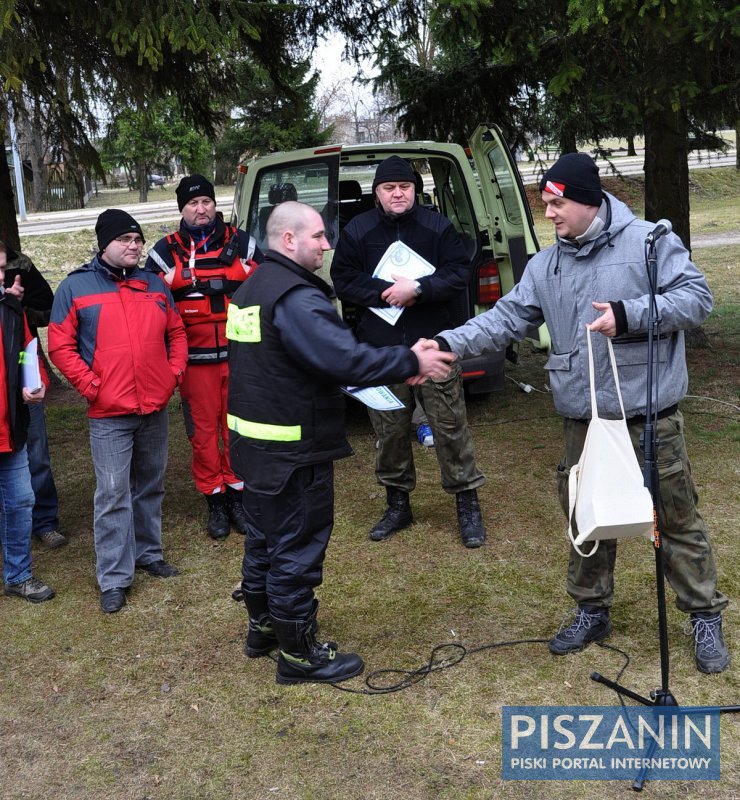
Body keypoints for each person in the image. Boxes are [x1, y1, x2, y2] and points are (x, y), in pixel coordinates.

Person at [427, 152, 730, 674]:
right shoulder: (546, 266)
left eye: (557, 202)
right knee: (585, 518)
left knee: (676, 519)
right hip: (583, 420)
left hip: (649, 415)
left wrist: (629, 313)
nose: (549, 213)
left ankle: (703, 614)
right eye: (545, 202)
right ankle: (592, 610)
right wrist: (446, 342)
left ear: (589, 202)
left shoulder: (650, 244)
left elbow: (696, 300)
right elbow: (504, 320)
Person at [226, 201, 456, 684]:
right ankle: (300, 655)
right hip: (294, 449)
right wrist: (410, 362)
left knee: (265, 540)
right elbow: (344, 359)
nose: (327, 245)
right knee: (296, 548)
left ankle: (263, 628)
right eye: (317, 237)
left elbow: (288, 360)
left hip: (255, 443)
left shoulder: (252, 289)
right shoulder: (295, 296)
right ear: (288, 239)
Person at [330, 155, 486, 548]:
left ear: (415, 190)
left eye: (404, 187)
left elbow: (458, 272)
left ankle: (467, 504)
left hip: (433, 343)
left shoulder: (438, 226)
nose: (397, 193)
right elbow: (343, 278)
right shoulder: (358, 230)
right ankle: (398, 503)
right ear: (376, 193)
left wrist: (418, 289)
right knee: (389, 430)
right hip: (381, 350)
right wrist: (385, 292)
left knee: (450, 426)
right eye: (388, 188)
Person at [49, 209, 188, 613]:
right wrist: (92, 386)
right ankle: (113, 576)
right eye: (124, 240)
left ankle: (148, 553)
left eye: (137, 239)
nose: (133, 246)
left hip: (154, 406)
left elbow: (176, 332)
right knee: (112, 493)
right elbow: (61, 346)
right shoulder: (75, 287)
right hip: (109, 412)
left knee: (150, 484)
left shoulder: (154, 285)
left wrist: (172, 374)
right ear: (104, 244)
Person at [145, 175, 260, 541]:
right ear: (182, 208)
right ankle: (215, 501)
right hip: (194, 362)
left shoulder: (243, 242)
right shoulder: (163, 252)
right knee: (204, 435)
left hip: (240, 356)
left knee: (238, 430)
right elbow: (149, 307)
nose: (201, 209)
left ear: (215, 204)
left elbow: (268, 287)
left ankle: (239, 497)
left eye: (206, 202)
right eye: (193, 204)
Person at [1, 243, 66, 549]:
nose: (3, 277)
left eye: (3, 270)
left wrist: (15, 307)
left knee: (36, 454)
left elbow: (48, 309)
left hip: (22, 378)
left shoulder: (19, 264)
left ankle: (44, 521)